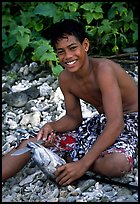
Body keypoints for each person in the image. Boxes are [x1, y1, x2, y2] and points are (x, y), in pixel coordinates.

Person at [2, 19, 138, 186]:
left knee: (117, 165)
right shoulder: (65, 78)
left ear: (85, 45)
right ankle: (72, 155)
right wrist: (52, 126)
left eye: (73, 48)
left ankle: (71, 157)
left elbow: (117, 123)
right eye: (61, 52)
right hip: (103, 123)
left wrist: (82, 165)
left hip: (130, 122)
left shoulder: (104, 70)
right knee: (32, 143)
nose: (68, 56)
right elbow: (74, 118)